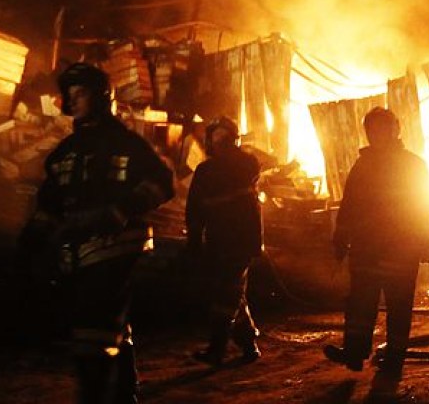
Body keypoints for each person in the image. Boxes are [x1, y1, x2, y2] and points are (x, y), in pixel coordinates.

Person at [23, 62, 174, 403]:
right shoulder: (64, 152)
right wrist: (34, 236)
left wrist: (119, 211)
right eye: (69, 95)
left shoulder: (127, 144)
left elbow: (163, 184)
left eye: (81, 94)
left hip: (116, 248)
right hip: (78, 253)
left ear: (102, 97)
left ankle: (96, 396)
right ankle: (123, 393)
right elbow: (50, 203)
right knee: (108, 326)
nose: (72, 101)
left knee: (93, 332)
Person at [323, 107, 429, 384]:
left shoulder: (413, 165)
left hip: (401, 248)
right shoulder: (363, 166)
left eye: (382, 128)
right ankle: (354, 353)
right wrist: (341, 237)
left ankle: (395, 359)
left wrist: (428, 239)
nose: (377, 134)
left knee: (399, 305)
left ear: (396, 129)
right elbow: (350, 204)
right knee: (360, 303)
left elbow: (428, 205)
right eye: (372, 129)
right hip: (367, 248)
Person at [186, 116, 263, 365]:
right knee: (233, 294)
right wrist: (196, 240)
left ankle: (217, 348)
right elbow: (195, 209)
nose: (218, 143)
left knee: (225, 294)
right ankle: (249, 344)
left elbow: (196, 210)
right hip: (225, 241)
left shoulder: (236, 166)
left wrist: (195, 241)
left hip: (235, 242)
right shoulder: (232, 167)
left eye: (222, 138)